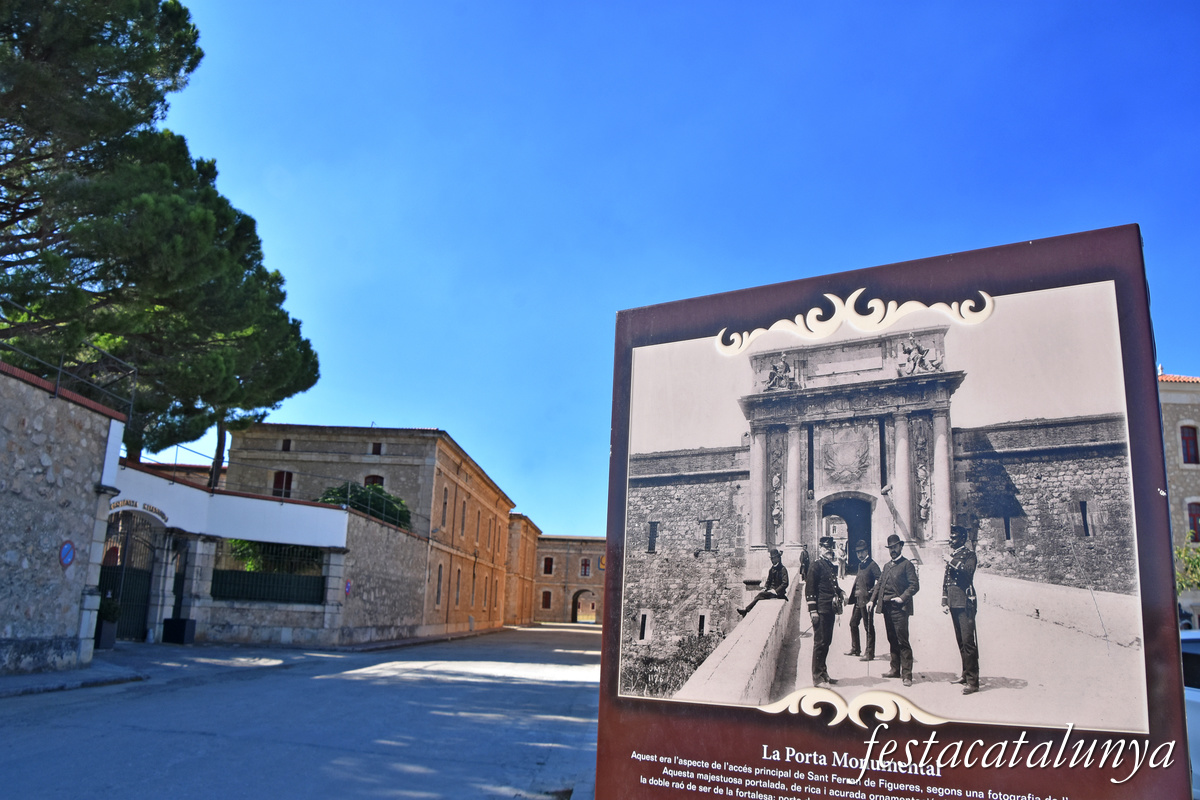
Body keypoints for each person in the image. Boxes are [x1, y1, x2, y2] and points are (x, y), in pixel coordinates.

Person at [869, 533, 919, 687]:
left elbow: (914, 586)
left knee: (902, 640)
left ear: (901, 546)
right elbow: (879, 584)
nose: (893, 550)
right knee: (891, 638)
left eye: (895, 547)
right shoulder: (887, 566)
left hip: (899, 608)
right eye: (890, 548)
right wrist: (872, 600)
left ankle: (907, 675)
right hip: (887, 608)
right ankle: (894, 669)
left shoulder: (907, 565)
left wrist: (902, 598)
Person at [943, 525, 979, 694]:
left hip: (965, 602)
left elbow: (968, 572)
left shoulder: (969, 555)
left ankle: (973, 681)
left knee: (968, 641)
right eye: (951, 537)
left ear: (963, 539)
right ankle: (965, 673)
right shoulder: (954, 556)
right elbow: (947, 580)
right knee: (960, 641)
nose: (951, 540)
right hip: (953, 602)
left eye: (955, 537)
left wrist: (951, 561)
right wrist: (944, 599)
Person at [806, 536, 843, 688]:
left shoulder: (828, 564)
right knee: (820, 643)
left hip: (830, 609)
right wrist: (813, 611)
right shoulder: (816, 566)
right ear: (820, 548)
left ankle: (823, 673)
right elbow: (810, 590)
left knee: (827, 642)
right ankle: (817, 678)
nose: (828, 550)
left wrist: (842, 594)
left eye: (830, 547)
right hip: (820, 610)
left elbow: (834, 586)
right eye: (825, 547)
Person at [845, 540, 881, 661]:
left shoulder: (872, 564)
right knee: (853, 624)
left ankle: (870, 653)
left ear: (867, 551)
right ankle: (856, 649)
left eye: (862, 552)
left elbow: (880, 581)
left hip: (867, 601)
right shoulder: (861, 564)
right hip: (858, 600)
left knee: (868, 627)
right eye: (858, 552)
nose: (860, 554)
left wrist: (872, 595)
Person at [738, 548, 788, 616]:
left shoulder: (783, 569)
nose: (772, 560)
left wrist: (776, 591)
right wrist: (765, 588)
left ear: (778, 558)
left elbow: (785, 583)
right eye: (771, 559)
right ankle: (747, 610)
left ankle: (746, 610)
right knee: (760, 594)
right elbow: (768, 581)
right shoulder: (771, 569)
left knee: (760, 596)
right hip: (771, 591)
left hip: (779, 593)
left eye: (773, 558)